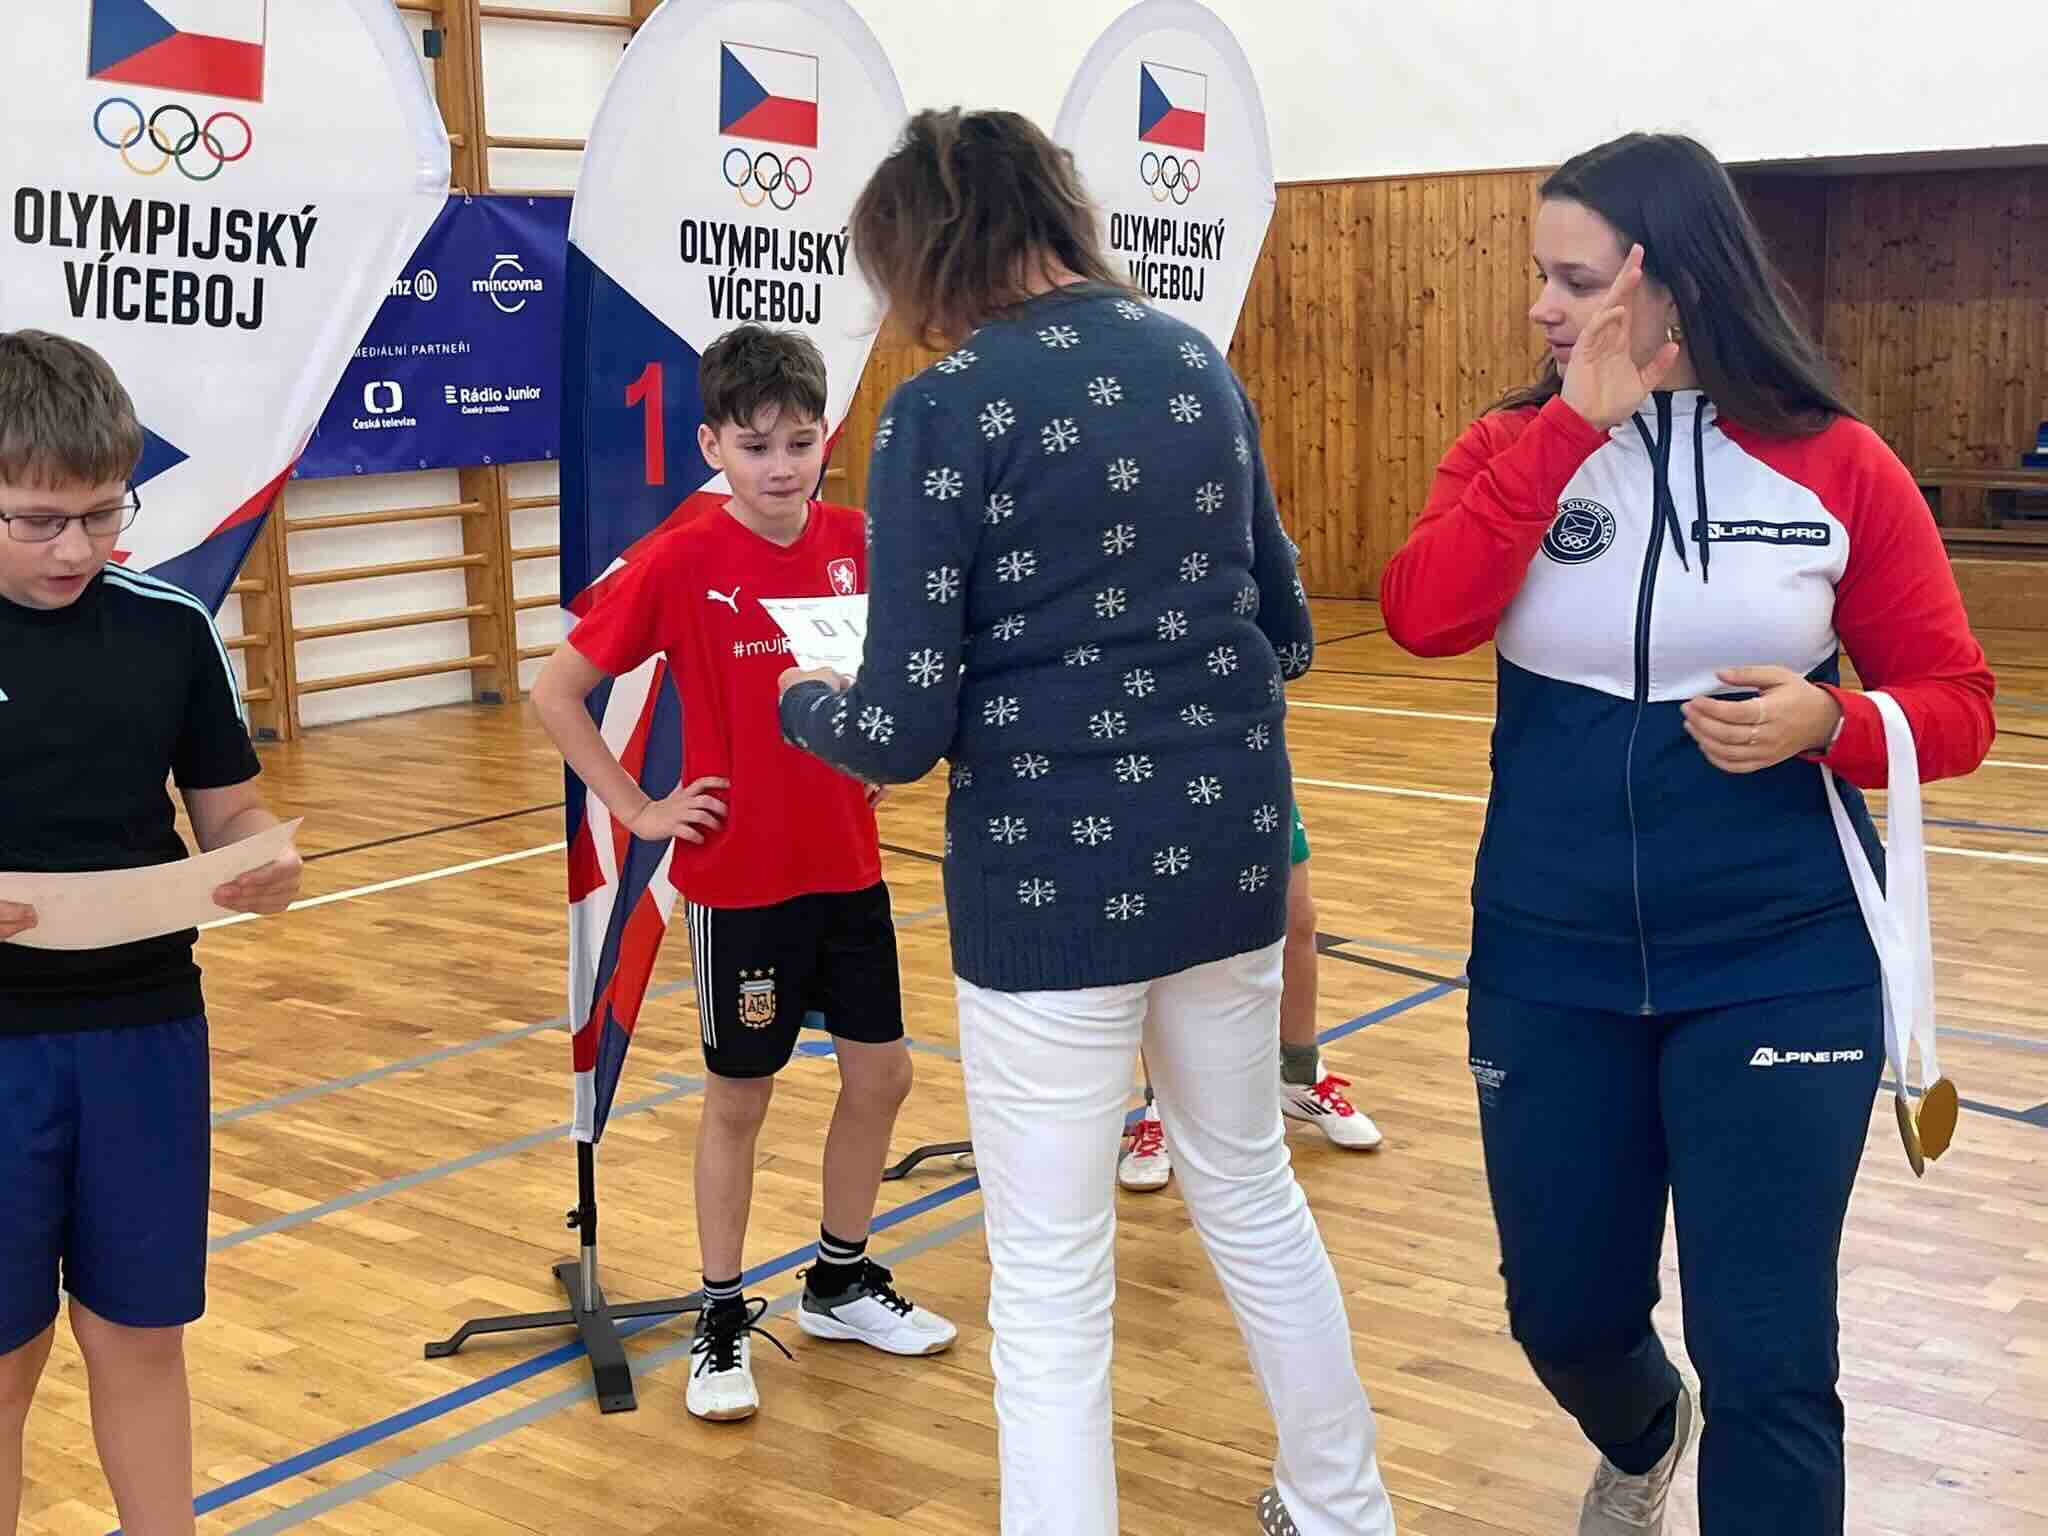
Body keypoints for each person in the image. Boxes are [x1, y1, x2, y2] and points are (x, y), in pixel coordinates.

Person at [777, 109, 1396, 1536]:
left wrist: (810, 701)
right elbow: (1289, 631)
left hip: (1046, 886)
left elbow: (902, 731)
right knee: (1250, 1189)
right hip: (1229, 851)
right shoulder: (1193, 362)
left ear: (927, 252)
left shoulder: (946, 410)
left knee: (1052, 1276)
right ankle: (1343, 1510)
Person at [1380, 132, 1996, 1536]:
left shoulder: (1837, 464)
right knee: (1562, 1312)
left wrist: (1831, 722)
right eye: (1540, 276)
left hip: (1782, 959)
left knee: (1770, 1361)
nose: (1540, 306)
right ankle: (1645, 1427)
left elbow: (1957, 706)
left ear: (1669, 284)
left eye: (1572, 279)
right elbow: (1421, 615)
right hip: (1549, 957)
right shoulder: (1509, 448)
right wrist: (1567, 432)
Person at [532, 325, 956, 1426]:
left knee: (883, 1077)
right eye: (755, 445)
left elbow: (888, 680)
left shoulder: (860, 543)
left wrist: (881, 748)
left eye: (799, 442)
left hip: (848, 869)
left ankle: (839, 1278)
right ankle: (720, 1312)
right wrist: (637, 809)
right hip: (739, 885)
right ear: (712, 445)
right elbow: (555, 692)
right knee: (740, 1099)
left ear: (826, 440)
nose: (779, 466)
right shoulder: (681, 559)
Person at [0, 330, 304, 1534]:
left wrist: (264, 855)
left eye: (101, 513)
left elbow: (231, 810)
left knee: (139, 1335)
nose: (77, 548)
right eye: (38, 521)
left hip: (144, 1033)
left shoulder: (170, 626)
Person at [1119, 802, 1382, 1192]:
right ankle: (1163, 1108)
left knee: (1297, 920)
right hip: (1158, 785)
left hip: (1249, 775)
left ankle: (1300, 1075)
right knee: (1163, 933)